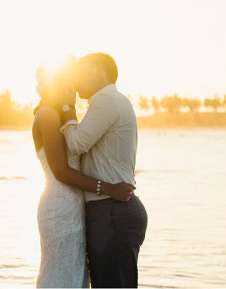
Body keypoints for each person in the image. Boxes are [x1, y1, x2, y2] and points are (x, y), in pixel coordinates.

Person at [33, 57, 134, 288]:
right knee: (60, 273)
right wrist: (109, 188)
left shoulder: (64, 115)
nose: (75, 86)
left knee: (75, 273)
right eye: (70, 80)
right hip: (59, 206)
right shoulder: (48, 114)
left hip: (75, 206)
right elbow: (60, 171)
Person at [59, 53, 148, 288]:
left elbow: (76, 144)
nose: (76, 81)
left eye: (80, 73)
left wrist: (67, 108)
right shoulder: (110, 101)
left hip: (112, 210)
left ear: (98, 70)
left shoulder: (107, 100)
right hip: (113, 209)